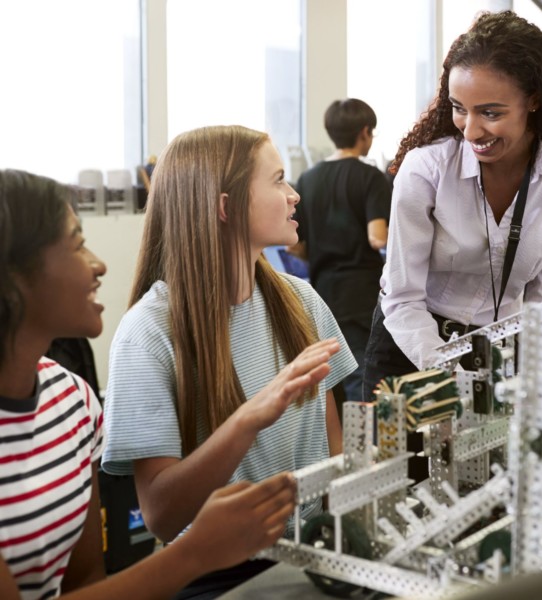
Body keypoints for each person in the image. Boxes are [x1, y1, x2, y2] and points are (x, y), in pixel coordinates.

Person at [0, 169, 299, 600]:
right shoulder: (149, 328)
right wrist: (195, 553)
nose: (99, 265)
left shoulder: (71, 400)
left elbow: (85, 580)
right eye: (78, 244)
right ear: (15, 276)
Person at [101, 125, 356, 598]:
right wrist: (249, 418)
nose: (294, 195)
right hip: (220, 575)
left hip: (321, 551)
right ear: (225, 207)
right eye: (278, 180)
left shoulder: (301, 299)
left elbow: (330, 441)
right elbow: (161, 515)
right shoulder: (148, 332)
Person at [363, 10, 542, 403]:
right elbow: (403, 298)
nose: (471, 130)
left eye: (491, 112)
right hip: (412, 344)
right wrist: (452, 376)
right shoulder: (427, 169)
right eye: (459, 108)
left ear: (534, 101)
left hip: (501, 347)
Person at [289, 98, 391, 402]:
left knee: (333, 374)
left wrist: (322, 254)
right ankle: (363, 447)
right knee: (362, 374)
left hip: (323, 292)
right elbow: (377, 237)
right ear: (364, 132)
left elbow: (294, 245)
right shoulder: (371, 177)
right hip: (361, 293)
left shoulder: (307, 179)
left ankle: (340, 445)